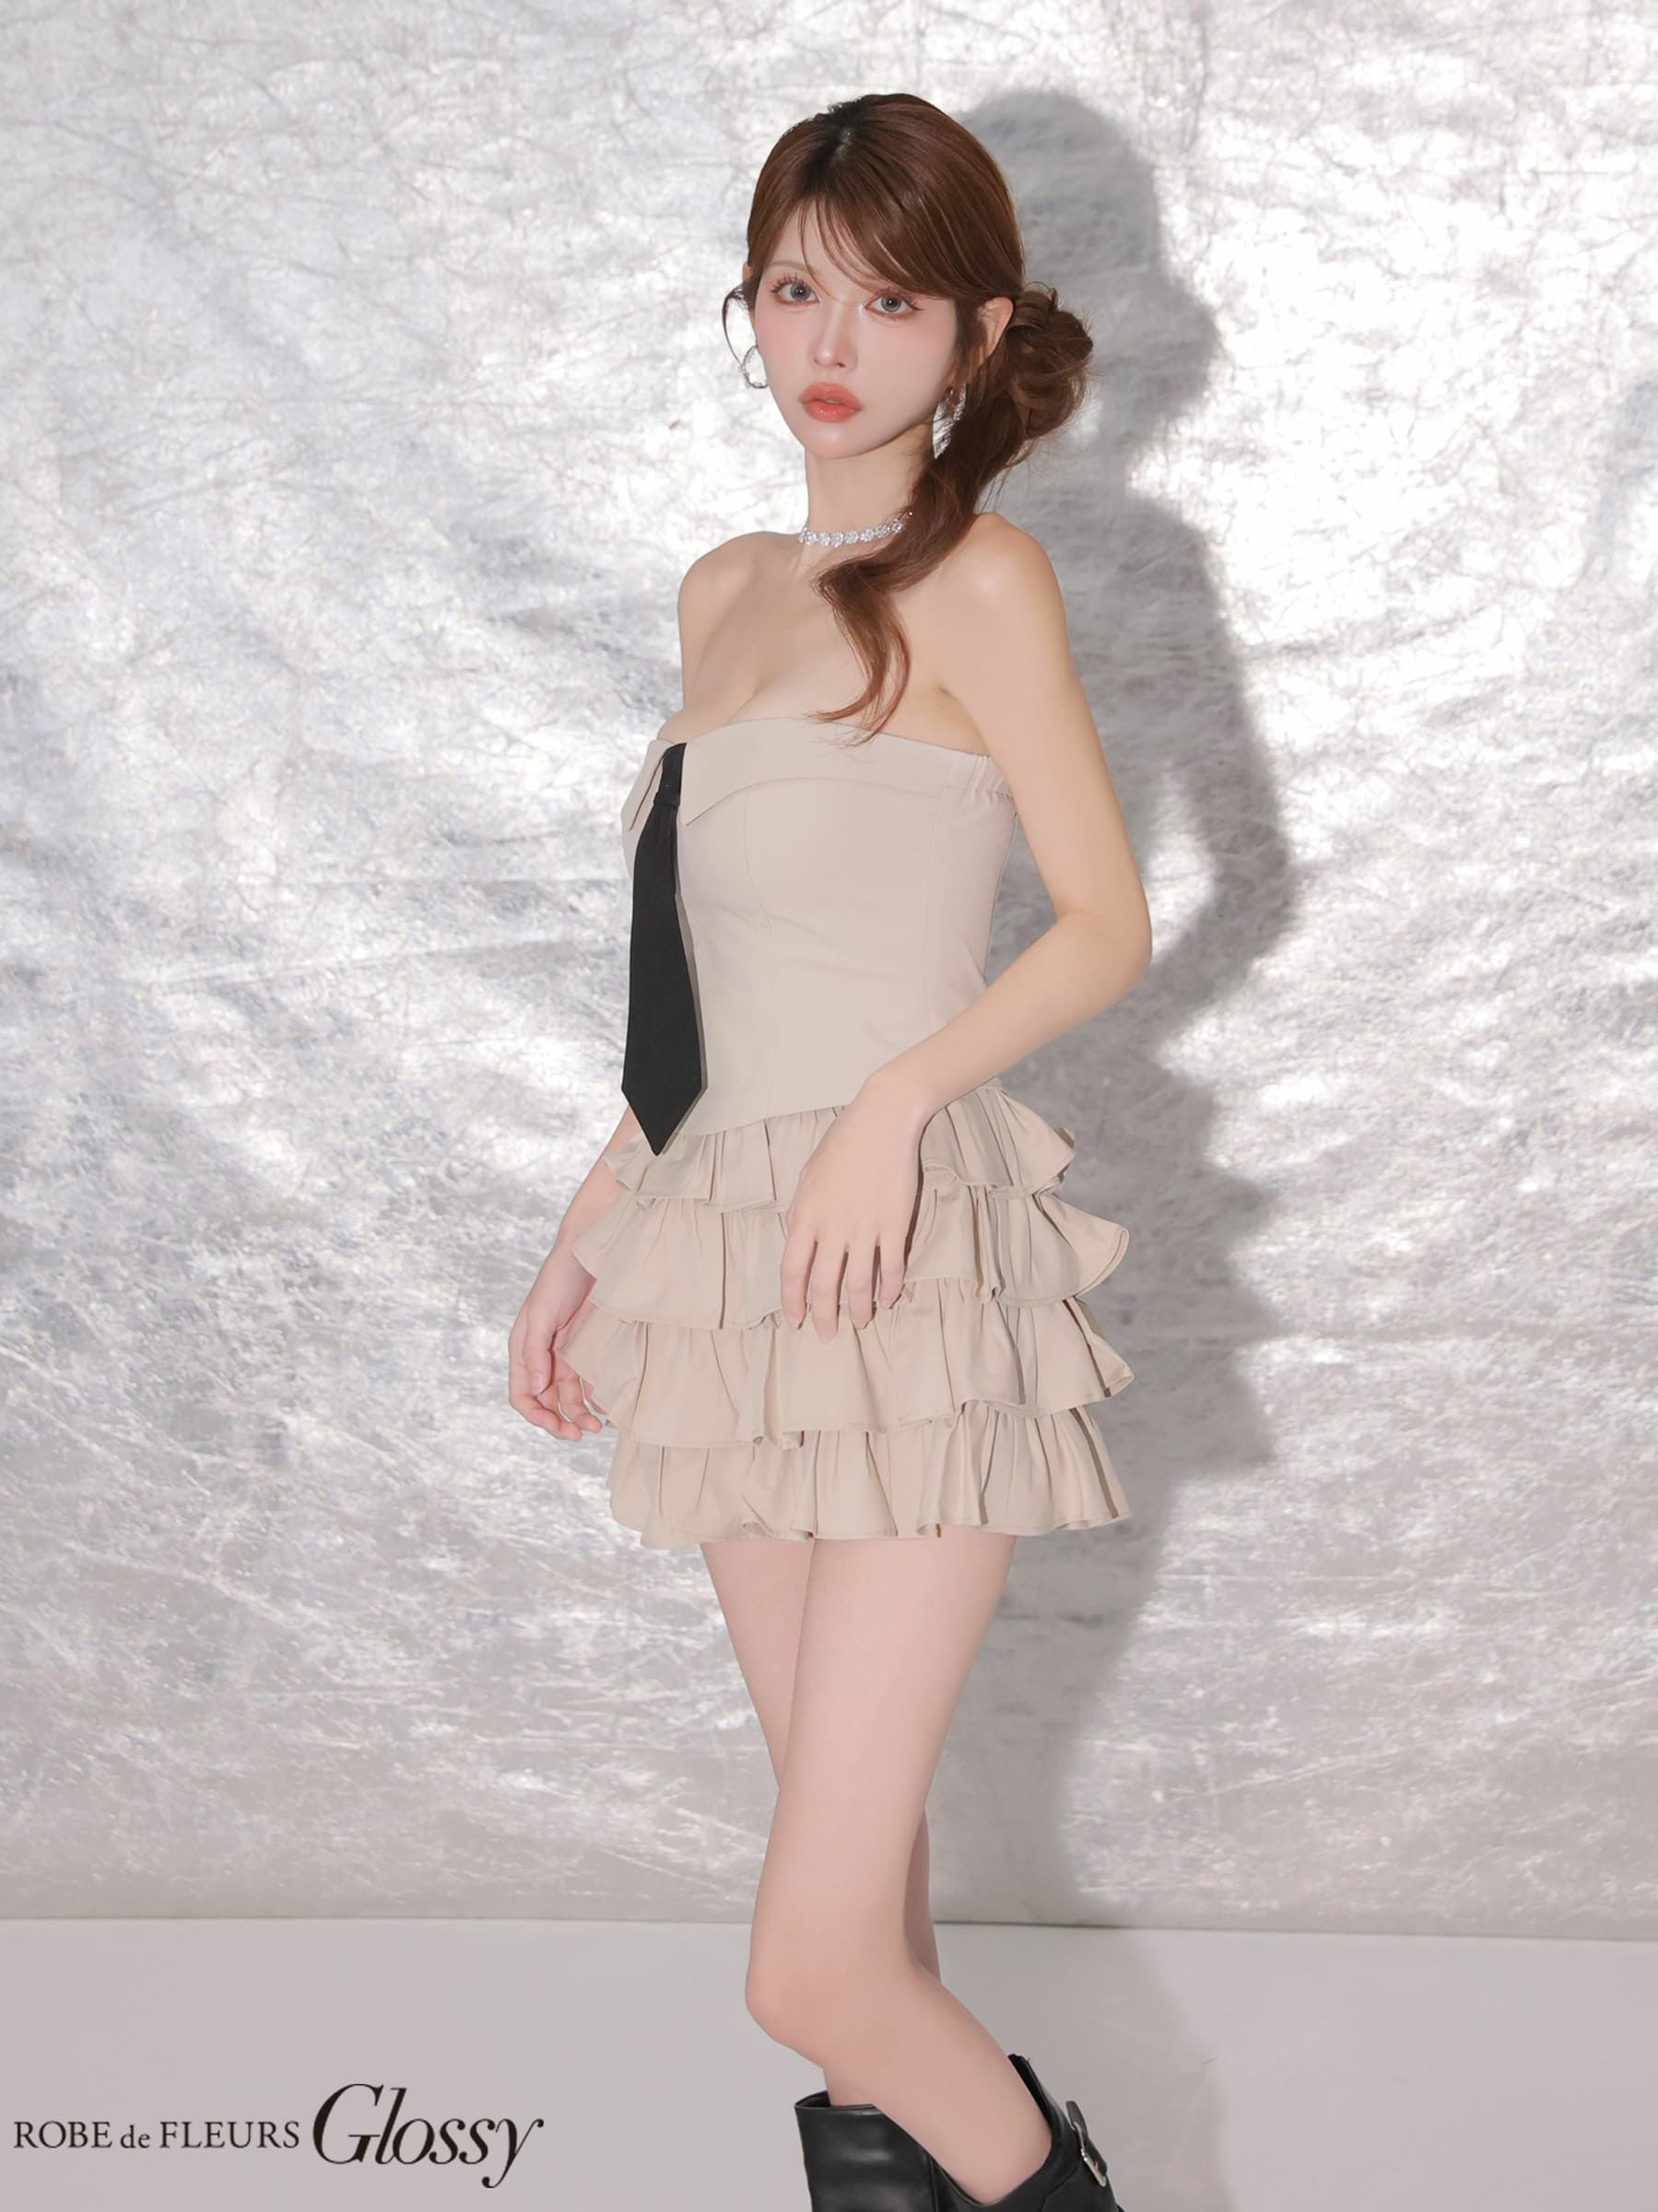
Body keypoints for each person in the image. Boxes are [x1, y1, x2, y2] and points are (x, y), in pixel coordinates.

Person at [509, 92, 1150, 2212]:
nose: (833, 342)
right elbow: (699, 1006)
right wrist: (585, 1236)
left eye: (887, 300)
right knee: (862, 1928)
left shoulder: (983, 581)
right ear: (750, 307)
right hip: (733, 1274)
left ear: (974, 333)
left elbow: (1105, 922)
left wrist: (897, 1105)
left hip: (912, 1266)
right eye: (797, 289)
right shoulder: (722, 592)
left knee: (806, 1963)